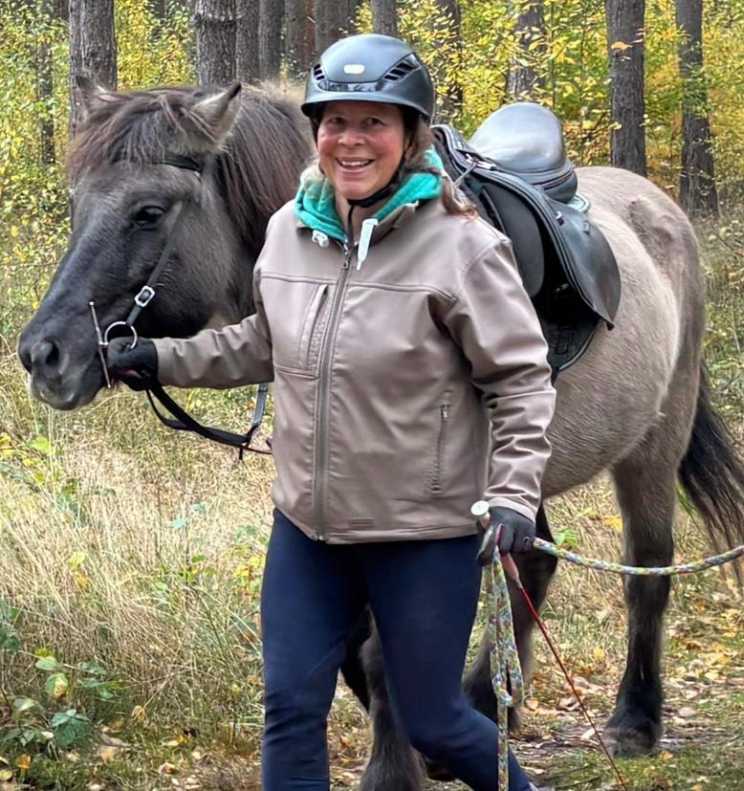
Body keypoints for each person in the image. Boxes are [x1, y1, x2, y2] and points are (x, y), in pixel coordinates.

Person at [107, 33, 556, 791]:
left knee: (435, 722)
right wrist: (161, 359)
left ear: (410, 135)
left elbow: (520, 380)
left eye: (374, 122)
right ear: (315, 131)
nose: (351, 141)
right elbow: (264, 341)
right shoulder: (291, 228)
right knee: (289, 707)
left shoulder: (463, 248)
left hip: (420, 534)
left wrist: (514, 494)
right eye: (335, 122)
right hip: (307, 531)